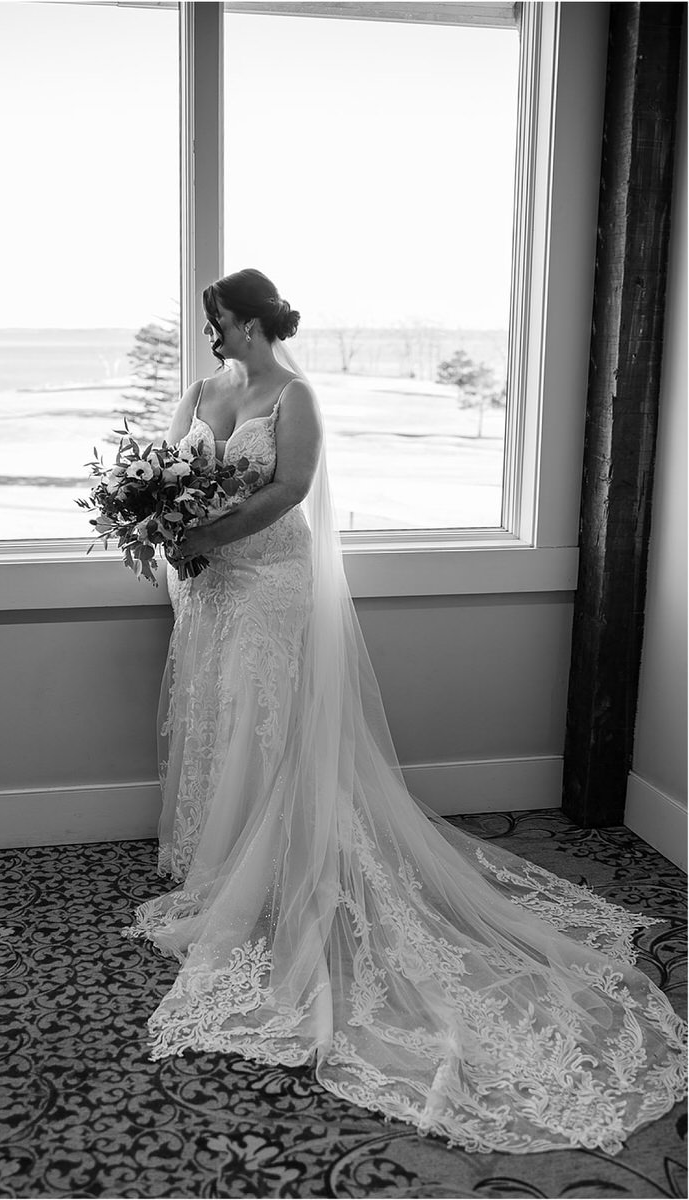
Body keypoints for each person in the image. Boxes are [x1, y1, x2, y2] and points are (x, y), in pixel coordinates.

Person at [122, 268, 686, 1155]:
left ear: (255, 323)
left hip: (269, 582)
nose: (212, 336)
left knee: (271, 721)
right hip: (209, 589)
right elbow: (167, 477)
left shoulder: (295, 396)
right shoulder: (199, 392)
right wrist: (158, 524)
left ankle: (284, 867)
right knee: (220, 714)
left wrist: (205, 533)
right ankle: (225, 859)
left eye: (220, 321)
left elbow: (289, 490)